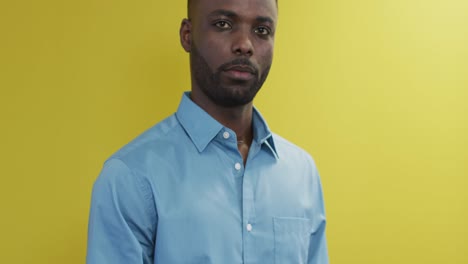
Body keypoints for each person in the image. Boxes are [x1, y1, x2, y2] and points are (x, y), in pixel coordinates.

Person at [86, 0, 329, 263]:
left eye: (261, 30)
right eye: (223, 24)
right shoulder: (130, 177)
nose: (244, 44)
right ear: (187, 36)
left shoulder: (302, 173)